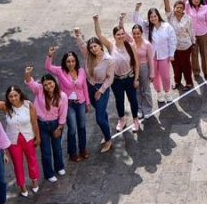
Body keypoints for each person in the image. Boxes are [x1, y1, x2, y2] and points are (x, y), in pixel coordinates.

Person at [0, 82, 41, 198]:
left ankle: (34, 181)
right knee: (17, 163)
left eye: (15, 95)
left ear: (20, 94)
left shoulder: (29, 105)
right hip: (13, 140)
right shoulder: (6, 106)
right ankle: (22, 185)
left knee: (32, 160)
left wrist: (38, 138)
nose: (13, 98)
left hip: (28, 137)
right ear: (8, 97)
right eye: (10, 96)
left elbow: (34, 122)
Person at [45, 44, 90, 162]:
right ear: (65, 62)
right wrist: (50, 55)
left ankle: (83, 148)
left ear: (76, 61)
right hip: (68, 104)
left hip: (80, 102)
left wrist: (87, 103)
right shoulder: (60, 71)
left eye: (73, 61)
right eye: (68, 61)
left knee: (82, 126)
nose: (71, 63)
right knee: (73, 128)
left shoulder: (81, 71)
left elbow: (84, 87)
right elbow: (48, 67)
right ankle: (73, 152)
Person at [23, 67, 67, 183]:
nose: (48, 86)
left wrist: (60, 127)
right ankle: (49, 173)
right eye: (45, 84)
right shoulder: (39, 91)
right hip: (41, 125)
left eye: (50, 83)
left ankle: (59, 167)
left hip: (55, 124)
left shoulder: (62, 96)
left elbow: (63, 113)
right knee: (46, 151)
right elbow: (30, 83)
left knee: (57, 148)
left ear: (55, 82)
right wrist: (28, 74)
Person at [78, 22, 116, 153]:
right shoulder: (88, 56)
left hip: (102, 89)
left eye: (95, 46)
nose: (93, 49)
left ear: (100, 46)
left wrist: (101, 91)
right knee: (102, 112)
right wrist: (78, 35)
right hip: (89, 87)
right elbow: (82, 45)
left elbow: (110, 78)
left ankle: (108, 139)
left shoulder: (109, 60)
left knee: (99, 117)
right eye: (91, 47)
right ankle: (107, 132)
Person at [104, 15, 142, 133]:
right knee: (119, 100)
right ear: (114, 36)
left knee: (133, 100)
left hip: (129, 77)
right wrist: (96, 21)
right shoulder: (111, 46)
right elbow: (99, 35)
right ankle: (122, 119)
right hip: (116, 80)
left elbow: (136, 63)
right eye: (118, 34)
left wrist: (136, 79)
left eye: (122, 34)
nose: (120, 36)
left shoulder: (130, 46)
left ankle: (136, 120)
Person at [166, 0, 197, 91]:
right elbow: (166, 6)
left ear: (183, 9)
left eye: (181, 7)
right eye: (177, 7)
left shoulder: (188, 18)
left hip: (185, 47)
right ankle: (177, 82)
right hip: (173, 47)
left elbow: (191, 31)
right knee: (176, 66)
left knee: (186, 66)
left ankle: (189, 83)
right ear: (174, 8)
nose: (178, 9)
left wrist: (193, 42)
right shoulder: (171, 17)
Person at [127, 21, 155, 116]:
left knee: (146, 89)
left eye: (138, 33)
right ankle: (139, 109)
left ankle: (148, 109)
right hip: (134, 69)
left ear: (142, 33)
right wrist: (121, 21)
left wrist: (152, 73)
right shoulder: (131, 43)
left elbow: (151, 60)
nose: (136, 36)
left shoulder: (147, 44)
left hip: (144, 68)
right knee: (137, 89)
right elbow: (123, 33)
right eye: (134, 34)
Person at [186, 0, 207, 81]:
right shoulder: (188, 7)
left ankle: (206, 72)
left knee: (204, 54)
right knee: (194, 55)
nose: (196, 0)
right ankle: (196, 72)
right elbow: (184, 3)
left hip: (203, 34)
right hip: (192, 35)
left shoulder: (205, 8)